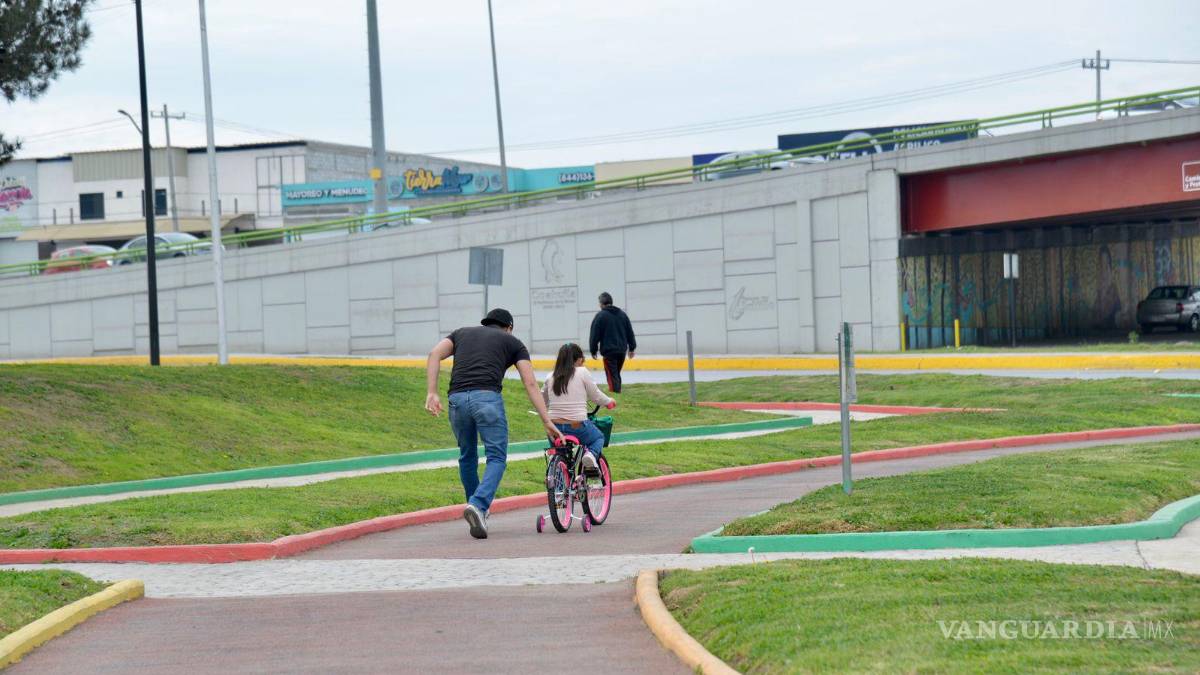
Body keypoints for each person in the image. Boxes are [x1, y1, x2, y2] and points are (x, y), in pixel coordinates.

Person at [425, 308, 563, 540]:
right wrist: (546, 420)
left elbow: (434, 354)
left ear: (486, 323)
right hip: (486, 398)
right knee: (496, 457)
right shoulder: (513, 342)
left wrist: (432, 392)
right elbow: (530, 383)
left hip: (456, 399)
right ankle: (478, 506)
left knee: (467, 455)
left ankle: (477, 508)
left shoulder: (461, 333)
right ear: (508, 327)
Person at [542, 343, 616, 472]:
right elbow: (595, 395)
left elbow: (542, 399)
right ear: (579, 359)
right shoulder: (582, 372)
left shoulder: (551, 375)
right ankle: (590, 455)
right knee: (598, 438)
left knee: (559, 454)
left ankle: (559, 474)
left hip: (554, 427)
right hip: (577, 425)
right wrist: (609, 402)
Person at [589, 292, 636, 393]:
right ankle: (617, 392)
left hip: (609, 352)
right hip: (621, 351)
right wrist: (632, 348)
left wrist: (593, 350)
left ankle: (615, 395)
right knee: (615, 374)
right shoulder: (622, 315)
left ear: (601, 303)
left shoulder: (600, 316)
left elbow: (594, 335)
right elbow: (630, 332)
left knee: (612, 375)